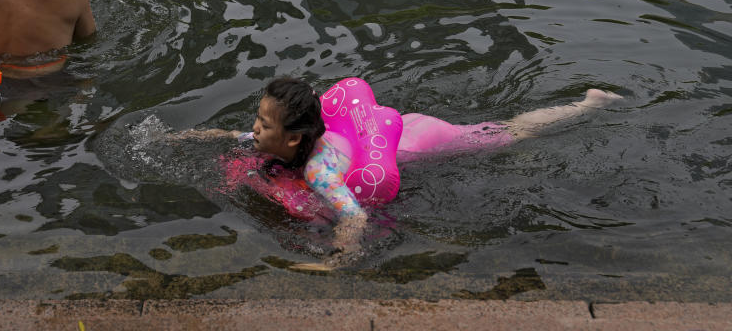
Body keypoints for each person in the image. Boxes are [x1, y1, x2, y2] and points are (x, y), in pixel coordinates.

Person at [176, 77, 622, 271]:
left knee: (508, 133)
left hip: (424, 142)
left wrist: (340, 258)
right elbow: (237, 135)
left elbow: (355, 217)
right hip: (391, 130)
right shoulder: (295, 136)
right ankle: (586, 103)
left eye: (263, 125)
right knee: (502, 130)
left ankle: (588, 105)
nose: (254, 129)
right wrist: (188, 138)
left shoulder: (320, 171)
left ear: (292, 140)